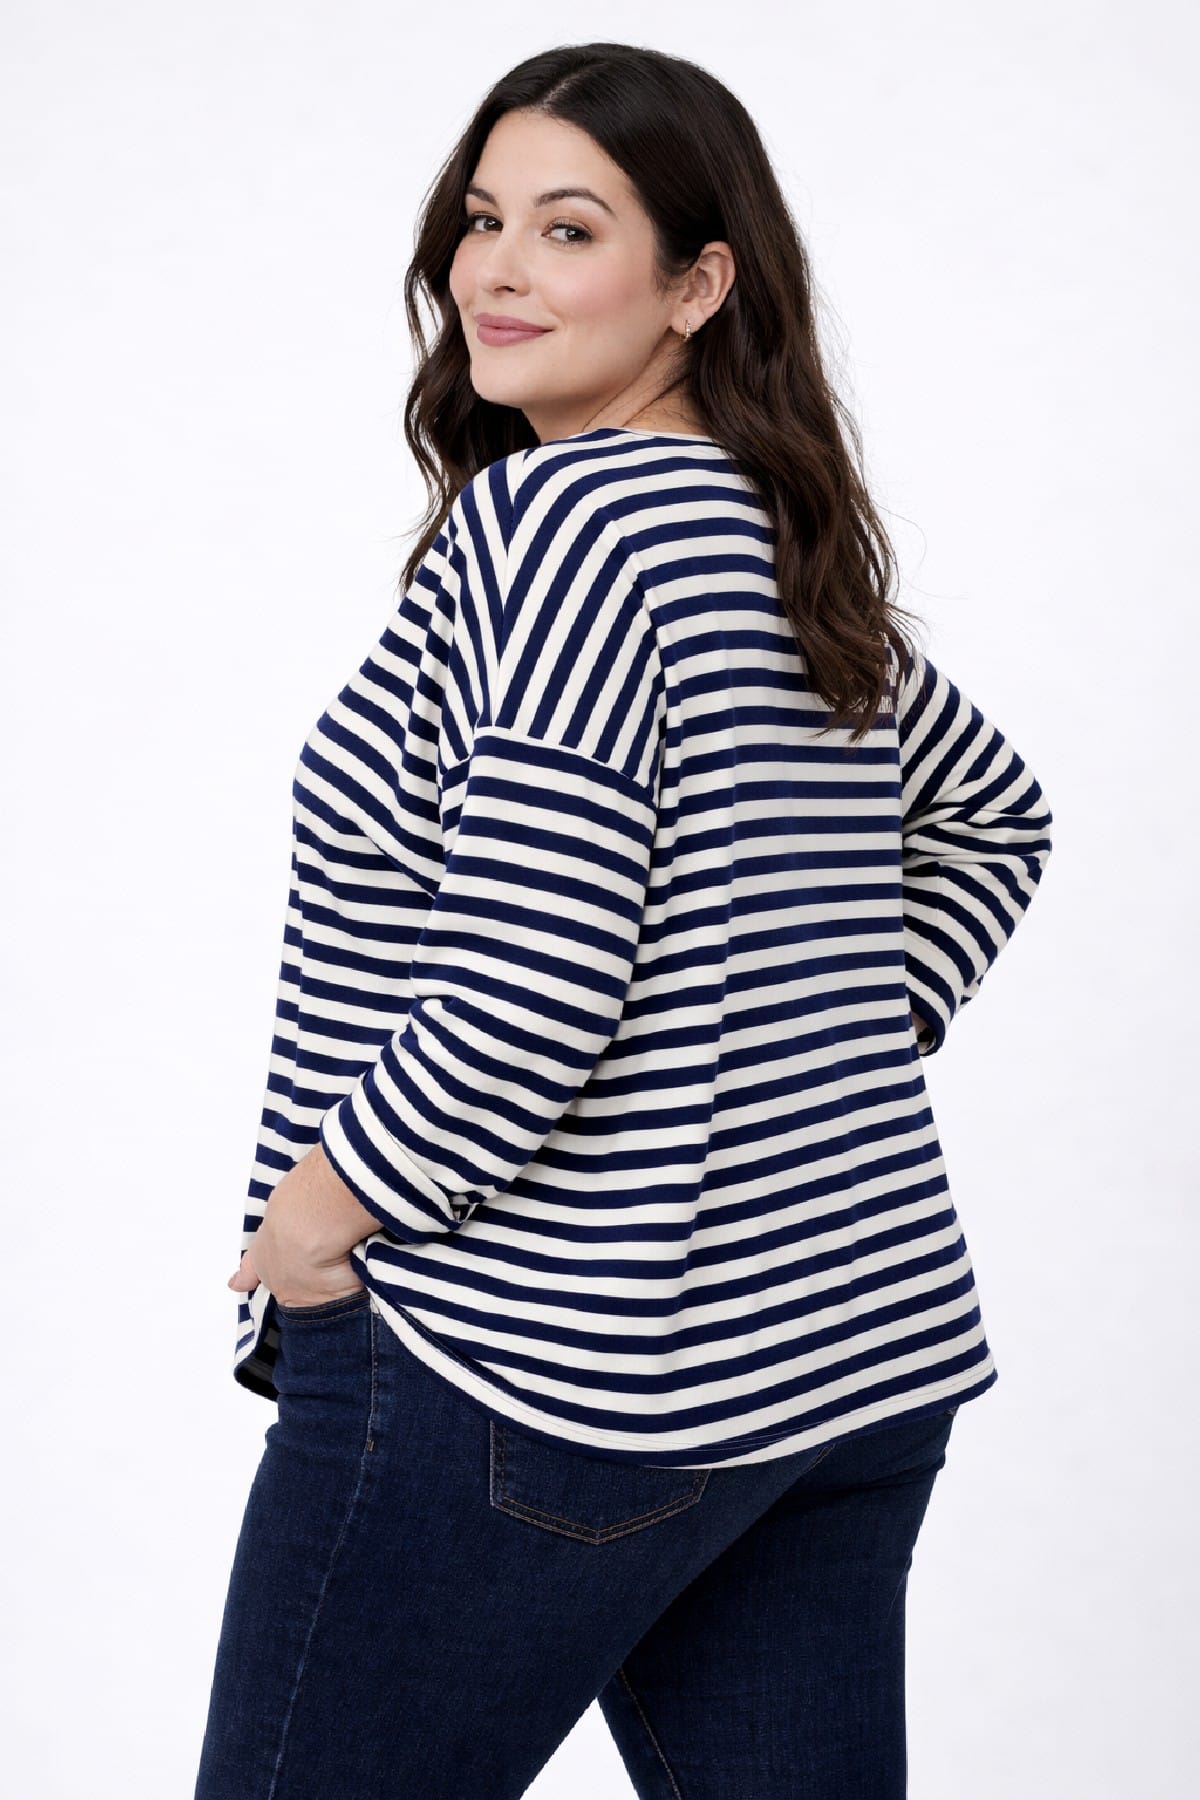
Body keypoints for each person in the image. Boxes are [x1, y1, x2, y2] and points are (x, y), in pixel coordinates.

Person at [193, 42, 1054, 1800]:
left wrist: (322, 1213)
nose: (496, 272)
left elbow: (532, 987)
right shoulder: (771, 536)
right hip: (841, 1355)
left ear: (697, 284)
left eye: (569, 229)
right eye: (481, 220)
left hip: (537, 1373)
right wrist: (793, 1057)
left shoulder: (564, 526)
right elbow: (994, 816)